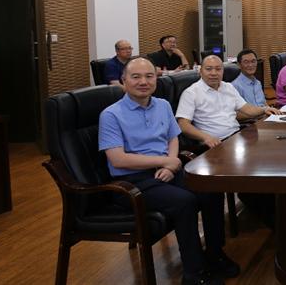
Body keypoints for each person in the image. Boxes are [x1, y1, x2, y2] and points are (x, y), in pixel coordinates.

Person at [99, 57, 237, 285]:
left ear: (156, 79)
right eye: (136, 77)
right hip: (132, 182)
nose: (143, 82)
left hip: (166, 169)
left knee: (211, 189)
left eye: (149, 76)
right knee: (184, 201)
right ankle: (193, 273)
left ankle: (214, 254)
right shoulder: (111, 115)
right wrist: (166, 162)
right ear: (124, 80)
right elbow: (118, 159)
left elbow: (173, 138)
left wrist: (170, 163)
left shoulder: (162, 105)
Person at [176, 56, 274, 148]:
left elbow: (247, 109)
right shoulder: (191, 93)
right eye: (208, 69)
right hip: (214, 144)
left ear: (223, 71)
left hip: (236, 137)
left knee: (267, 144)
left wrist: (265, 109)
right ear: (200, 71)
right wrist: (206, 137)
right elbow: (183, 125)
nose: (214, 73)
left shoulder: (228, 87)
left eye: (218, 69)